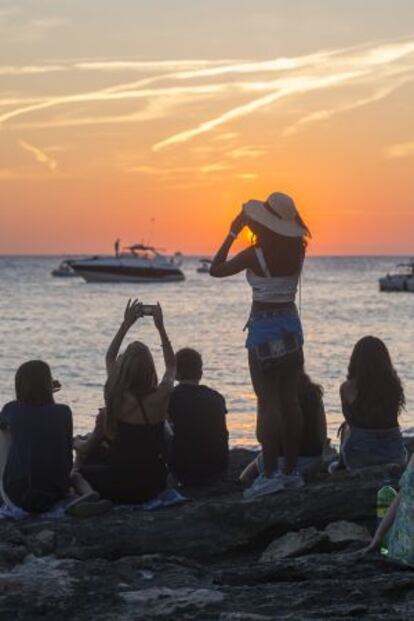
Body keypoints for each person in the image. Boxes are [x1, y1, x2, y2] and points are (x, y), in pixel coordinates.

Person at [210, 192, 310, 497]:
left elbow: (216, 268)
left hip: (263, 329)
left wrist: (232, 232)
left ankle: (269, 474)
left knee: (267, 403)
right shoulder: (299, 250)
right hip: (291, 326)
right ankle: (291, 471)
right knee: (290, 400)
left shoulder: (255, 254)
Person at [79, 299, 176, 504]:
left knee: (82, 467)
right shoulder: (160, 397)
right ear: (150, 367)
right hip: (151, 484)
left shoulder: (116, 394)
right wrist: (161, 328)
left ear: (124, 368)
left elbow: (110, 357)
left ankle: (86, 494)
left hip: (117, 483)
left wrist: (126, 324)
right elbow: (171, 366)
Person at [0, 360, 74, 513]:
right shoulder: (64, 411)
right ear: (48, 385)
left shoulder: (11, 409)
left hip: (18, 492)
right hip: (55, 490)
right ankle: (75, 497)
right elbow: (67, 452)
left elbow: (27, 413)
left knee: (3, 431)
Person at [241, 367, 326, 495]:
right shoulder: (314, 392)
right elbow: (322, 435)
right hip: (311, 460)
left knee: (245, 477)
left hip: (277, 460)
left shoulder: (269, 394)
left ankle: (267, 480)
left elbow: (261, 436)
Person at [332, 336, 406, 471]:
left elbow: (350, 420)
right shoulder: (393, 386)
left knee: (347, 427)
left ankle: (341, 464)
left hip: (359, 458)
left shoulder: (347, 388)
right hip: (394, 455)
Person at [168, 348, 229, 486]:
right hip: (217, 467)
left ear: (175, 374)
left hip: (186, 471)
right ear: (200, 372)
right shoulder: (216, 397)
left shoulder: (171, 398)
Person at [366, 454, 414, 566]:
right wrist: (379, 535)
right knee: (386, 492)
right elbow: (403, 494)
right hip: (400, 547)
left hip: (405, 552)